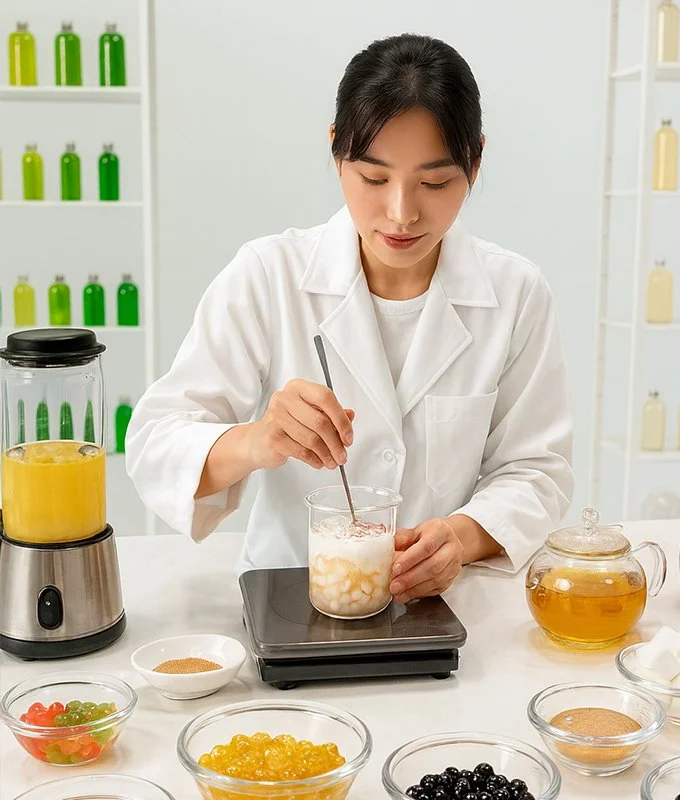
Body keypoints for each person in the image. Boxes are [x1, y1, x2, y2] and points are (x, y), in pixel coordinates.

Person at [126, 33, 573, 604]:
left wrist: (460, 539)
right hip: (287, 597)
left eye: (435, 182)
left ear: (476, 162)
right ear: (337, 150)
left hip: (440, 610)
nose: (402, 213)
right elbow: (155, 443)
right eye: (374, 178)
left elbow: (537, 470)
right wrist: (260, 439)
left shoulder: (516, 294)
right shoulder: (269, 275)